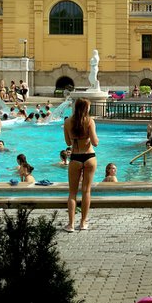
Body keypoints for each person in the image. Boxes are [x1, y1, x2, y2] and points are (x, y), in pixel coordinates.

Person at [63, 98, 99, 232]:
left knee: (72, 193)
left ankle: (71, 224)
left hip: (75, 157)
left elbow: (67, 142)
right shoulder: (90, 121)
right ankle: (83, 222)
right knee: (86, 191)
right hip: (89, 156)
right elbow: (95, 143)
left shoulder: (67, 122)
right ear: (85, 108)